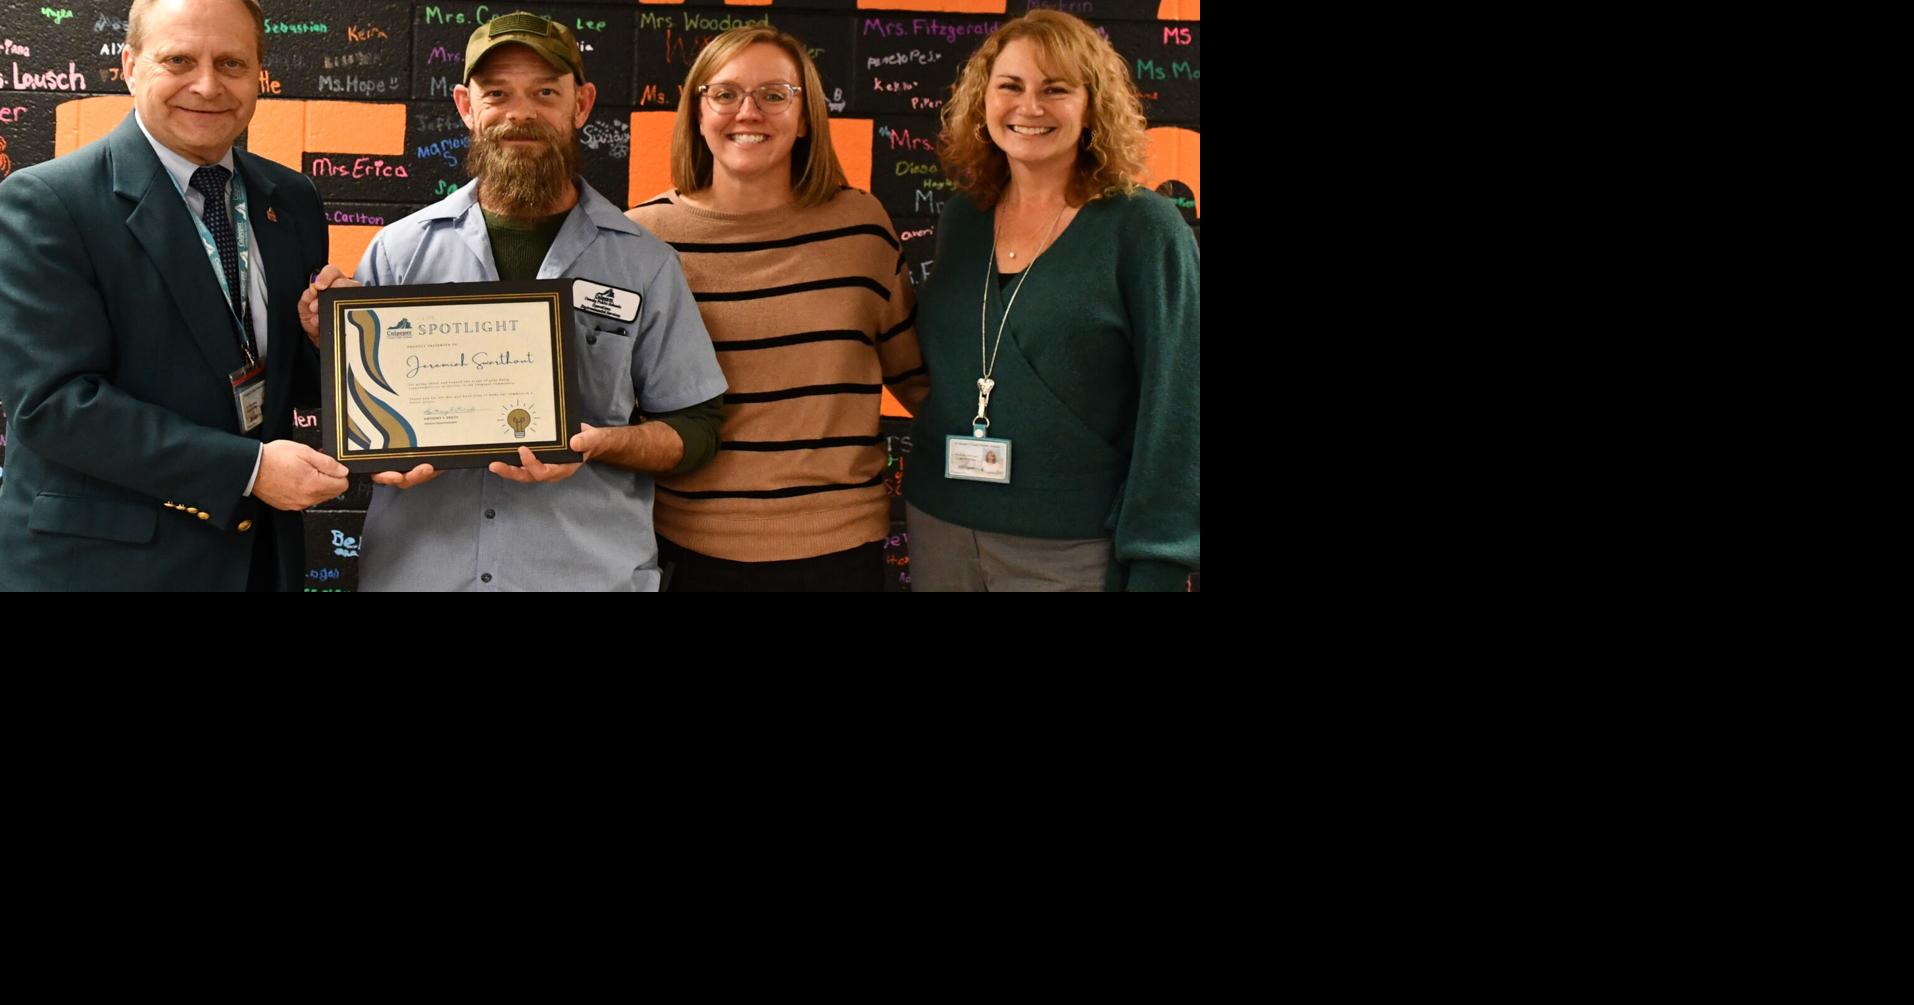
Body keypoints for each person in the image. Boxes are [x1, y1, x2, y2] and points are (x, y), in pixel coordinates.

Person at [308, 13, 726, 591]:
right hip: (421, 575)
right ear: (465, 105)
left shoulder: (644, 262)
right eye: (497, 94)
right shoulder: (399, 251)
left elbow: (697, 427)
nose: (520, 114)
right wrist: (328, 341)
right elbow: (359, 423)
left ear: (581, 105)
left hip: (586, 578)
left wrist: (600, 444)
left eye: (545, 93)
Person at [0, 0, 346, 592]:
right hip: (103, 569)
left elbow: (286, 378)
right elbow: (53, 405)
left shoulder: (291, 199)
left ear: (258, 75)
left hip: (256, 562)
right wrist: (250, 469)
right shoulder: (46, 204)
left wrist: (328, 340)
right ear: (130, 67)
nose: (208, 86)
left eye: (231, 63)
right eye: (179, 60)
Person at [905, 9, 1200, 592]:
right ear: (983, 100)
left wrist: (1160, 560)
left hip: (1074, 547)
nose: (1029, 107)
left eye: (1055, 89)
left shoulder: (1143, 227)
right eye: (1010, 86)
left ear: (1092, 106)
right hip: (939, 526)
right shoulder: (964, 218)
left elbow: (1178, 405)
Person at [626, 25, 928, 592]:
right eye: (725, 94)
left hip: (839, 552)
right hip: (683, 549)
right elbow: (615, 397)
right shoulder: (643, 238)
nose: (749, 112)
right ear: (697, 112)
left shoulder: (861, 226)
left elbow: (917, 379)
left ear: (806, 116)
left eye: (774, 95)